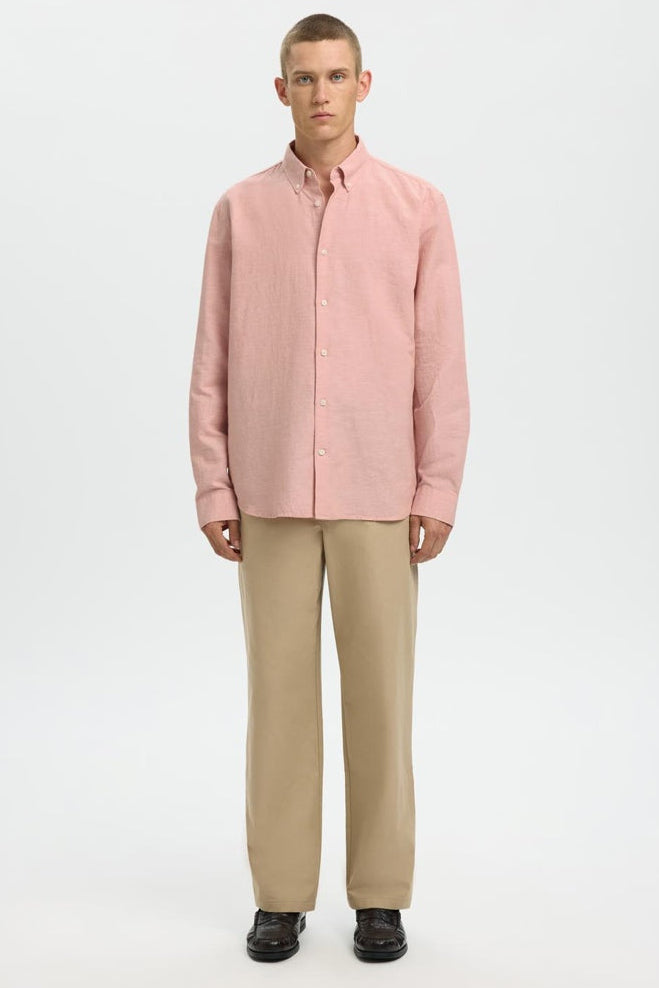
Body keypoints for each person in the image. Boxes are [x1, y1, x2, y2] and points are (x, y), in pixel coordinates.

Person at [188, 12, 470, 964]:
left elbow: (440, 361)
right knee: (278, 703)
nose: (320, 93)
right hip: (267, 491)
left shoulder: (416, 207)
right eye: (304, 77)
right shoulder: (239, 211)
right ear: (281, 91)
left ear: (363, 84)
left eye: (336, 75)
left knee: (380, 704)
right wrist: (213, 487)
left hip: (379, 492)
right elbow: (211, 361)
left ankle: (379, 898)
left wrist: (437, 486)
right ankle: (280, 899)